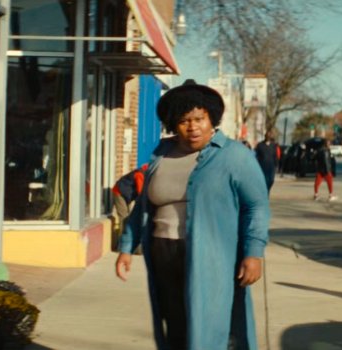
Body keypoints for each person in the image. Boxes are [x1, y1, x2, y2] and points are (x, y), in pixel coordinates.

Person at [114, 79, 270, 350]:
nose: (193, 126)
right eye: (185, 120)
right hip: (164, 252)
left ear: (212, 119)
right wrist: (127, 246)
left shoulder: (234, 156)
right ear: (174, 124)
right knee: (175, 324)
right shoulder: (162, 155)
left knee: (211, 326)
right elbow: (143, 205)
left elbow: (256, 206)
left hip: (212, 255)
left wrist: (253, 253)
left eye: (200, 118)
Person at [111, 164, 148, 251]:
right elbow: (141, 193)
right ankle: (122, 247)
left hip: (126, 195)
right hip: (119, 193)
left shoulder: (146, 175)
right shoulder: (140, 174)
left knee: (129, 219)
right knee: (125, 219)